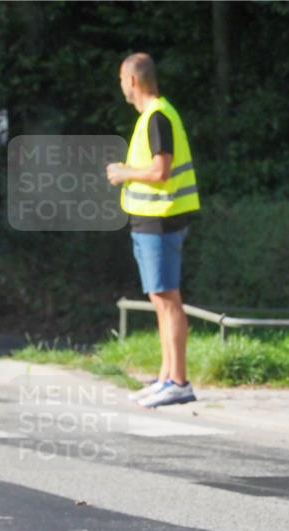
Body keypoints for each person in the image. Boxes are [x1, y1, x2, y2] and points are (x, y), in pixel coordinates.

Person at [106, 52, 200, 408]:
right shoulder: (154, 115)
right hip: (152, 219)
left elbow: (161, 171)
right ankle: (166, 378)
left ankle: (178, 381)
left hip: (160, 219)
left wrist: (123, 173)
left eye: (121, 79)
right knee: (161, 300)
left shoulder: (158, 116)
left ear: (132, 80)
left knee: (167, 300)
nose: (120, 86)